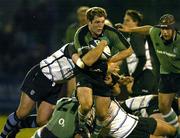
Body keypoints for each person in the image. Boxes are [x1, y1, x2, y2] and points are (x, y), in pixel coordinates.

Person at [0, 41, 109, 138]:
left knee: (42, 120)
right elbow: (78, 62)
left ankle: (16, 126)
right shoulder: (71, 47)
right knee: (22, 113)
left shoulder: (88, 64)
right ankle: (3, 135)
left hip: (56, 85)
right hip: (41, 76)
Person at [73, 7, 133, 137]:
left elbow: (128, 50)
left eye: (102, 21)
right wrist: (102, 44)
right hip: (86, 73)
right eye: (97, 22)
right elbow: (87, 62)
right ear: (88, 22)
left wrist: (110, 61)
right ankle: (81, 126)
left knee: (102, 114)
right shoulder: (81, 34)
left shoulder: (110, 31)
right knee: (86, 105)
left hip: (102, 74)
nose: (101, 26)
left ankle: (95, 134)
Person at [118, 13, 180, 136]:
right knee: (163, 106)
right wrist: (130, 29)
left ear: (173, 29)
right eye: (162, 28)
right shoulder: (156, 33)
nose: (165, 32)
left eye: (168, 29)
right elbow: (148, 28)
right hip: (166, 75)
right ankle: (177, 132)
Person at [31, 96, 176, 138]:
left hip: (136, 121)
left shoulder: (64, 102)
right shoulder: (85, 112)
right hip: (125, 132)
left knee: (172, 131)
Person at [115, 9, 157, 96]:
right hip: (139, 76)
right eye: (124, 20)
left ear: (136, 22)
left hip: (144, 76)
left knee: (142, 106)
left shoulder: (136, 35)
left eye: (127, 20)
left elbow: (142, 59)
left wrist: (132, 78)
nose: (124, 22)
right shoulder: (130, 38)